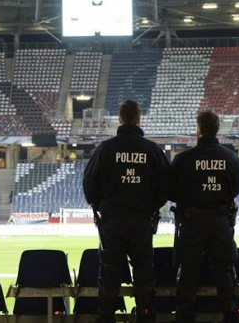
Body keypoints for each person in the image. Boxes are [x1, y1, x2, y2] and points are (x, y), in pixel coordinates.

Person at [83, 100, 170, 323]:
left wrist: (99, 206)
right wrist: (151, 207)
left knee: (110, 271)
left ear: (120, 119)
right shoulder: (152, 150)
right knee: (144, 272)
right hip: (142, 221)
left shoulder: (105, 149)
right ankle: (146, 316)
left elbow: (89, 185)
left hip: (111, 221)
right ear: (138, 119)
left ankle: (106, 316)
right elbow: (166, 186)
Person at [170, 110, 239, 323]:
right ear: (217, 130)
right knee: (224, 270)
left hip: (192, 222)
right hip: (220, 221)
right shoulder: (230, 157)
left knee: (188, 271)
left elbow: (171, 190)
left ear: (199, 130)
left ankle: (185, 316)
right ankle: (231, 315)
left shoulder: (184, 159)